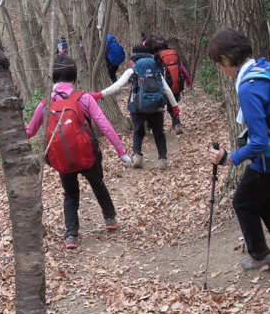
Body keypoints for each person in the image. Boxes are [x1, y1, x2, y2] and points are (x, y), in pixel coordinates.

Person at [205, 28, 270, 271]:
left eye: (219, 64)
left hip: (268, 160)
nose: (221, 70)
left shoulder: (248, 87)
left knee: (243, 203)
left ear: (226, 59)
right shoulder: (267, 70)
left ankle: (261, 254)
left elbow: (258, 141)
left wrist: (229, 158)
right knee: (268, 202)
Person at [26, 55, 132, 249]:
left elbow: (29, 131)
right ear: (74, 78)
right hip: (88, 156)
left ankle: (71, 235)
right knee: (98, 184)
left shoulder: (44, 104)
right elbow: (105, 125)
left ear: (52, 78)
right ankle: (110, 218)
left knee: (70, 195)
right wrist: (121, 152)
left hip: (62, 160)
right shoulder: (83, 98)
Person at [92, 44, 180, 170]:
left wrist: (100, 94)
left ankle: (137, 156)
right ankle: (162, 159)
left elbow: (117, 86)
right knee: (159, 133)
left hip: (137, 106)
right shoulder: (156, 69)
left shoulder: (133, 69)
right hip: (157, 107)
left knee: (138, 132)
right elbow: (166, 89)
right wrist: (175, 106)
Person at [150, 36, 192, 136]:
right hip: (176, 85)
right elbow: (182, 69)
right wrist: (188, 81)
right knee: (172, 106)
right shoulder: (173, 53)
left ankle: (158, 128)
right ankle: (177, 124)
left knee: (160, 107)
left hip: (163, 86)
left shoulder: (157, 56)